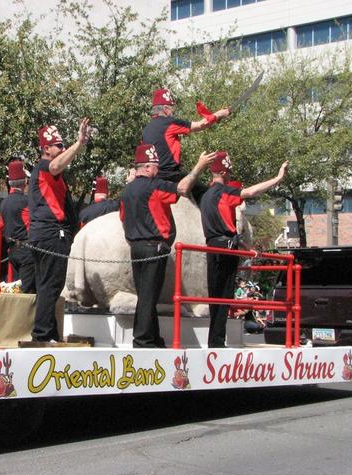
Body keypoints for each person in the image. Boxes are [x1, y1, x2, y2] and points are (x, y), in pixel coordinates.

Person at [120, 144, 216, 348]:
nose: (158, 170)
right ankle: (142, 339)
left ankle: (152, 337)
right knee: (148, 296)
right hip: (154, 246)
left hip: (136, 246)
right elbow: (182, 188)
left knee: (146, 294)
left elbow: (123, 217)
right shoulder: (154, 186)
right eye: (155, 166)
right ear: (147, 167)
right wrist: (198, 167)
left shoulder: (127, 191)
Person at [200, 152, 288, 347]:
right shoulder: (224, 192)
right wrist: (277, 178)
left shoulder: (206, 195)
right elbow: (249, 193)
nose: (231, 176)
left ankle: (214, 340)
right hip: (226, 249)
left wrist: (247, 248)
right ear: (222, 172)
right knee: (224, 295)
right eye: (229, 173)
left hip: (212, 246)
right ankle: (216, 341)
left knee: (216, 296)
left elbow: (225, 228)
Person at [28, 118, 91, 342]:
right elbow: (55, 165)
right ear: (46, 148)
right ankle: (43, 334)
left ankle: (48, 332)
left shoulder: (48, 174)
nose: (62, 149)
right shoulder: (46, 167)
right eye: (59, 145)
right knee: (51, 286)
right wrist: (79, 143)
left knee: (48, 285)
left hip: (44, 235)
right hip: (51, 234)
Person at [142, 88, 230, 202]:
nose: (172, 111)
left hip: (154, 177)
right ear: (165, 109)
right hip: (171, 176)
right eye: (171, 108)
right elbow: (201, 125)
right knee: (207, 196)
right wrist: (220, 114)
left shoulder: (146, 129)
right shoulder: (170, 122)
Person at [0, 158, 36, 293]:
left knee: (16, 287)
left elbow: (2, 227)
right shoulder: (26, 202)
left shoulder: (4, 203)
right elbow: (30, 226)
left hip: (13, 252)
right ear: (25, 182)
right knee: (26, 290)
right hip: (27, 251)